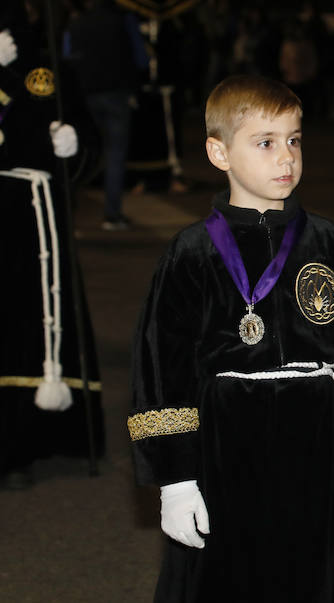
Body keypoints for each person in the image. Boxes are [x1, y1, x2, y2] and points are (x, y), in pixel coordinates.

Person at [127, 74, 334, 602]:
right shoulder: (191, 252)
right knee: (226, 576)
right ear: (219, 152)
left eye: (294, 140)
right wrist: (176, 476)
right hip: (226, 440)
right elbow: (161, 366)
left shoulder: (330, 243)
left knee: (309, 568)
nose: (286, 158)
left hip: (316, 439)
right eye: (265, 142)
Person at [0, 1, 105, 489]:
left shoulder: (49, 69)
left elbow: (87, 135)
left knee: (36, 318)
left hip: (36, 210)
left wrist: (74, 144)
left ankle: (36, 435)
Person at [63, 0, 147, 230]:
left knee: (77, 155)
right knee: (115, 155)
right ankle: (112, 214)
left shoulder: (77, 23)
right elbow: (141, 58)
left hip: (85, 96)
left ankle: (70, 217)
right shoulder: (123, 20)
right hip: (116, 94)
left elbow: (67, 57)